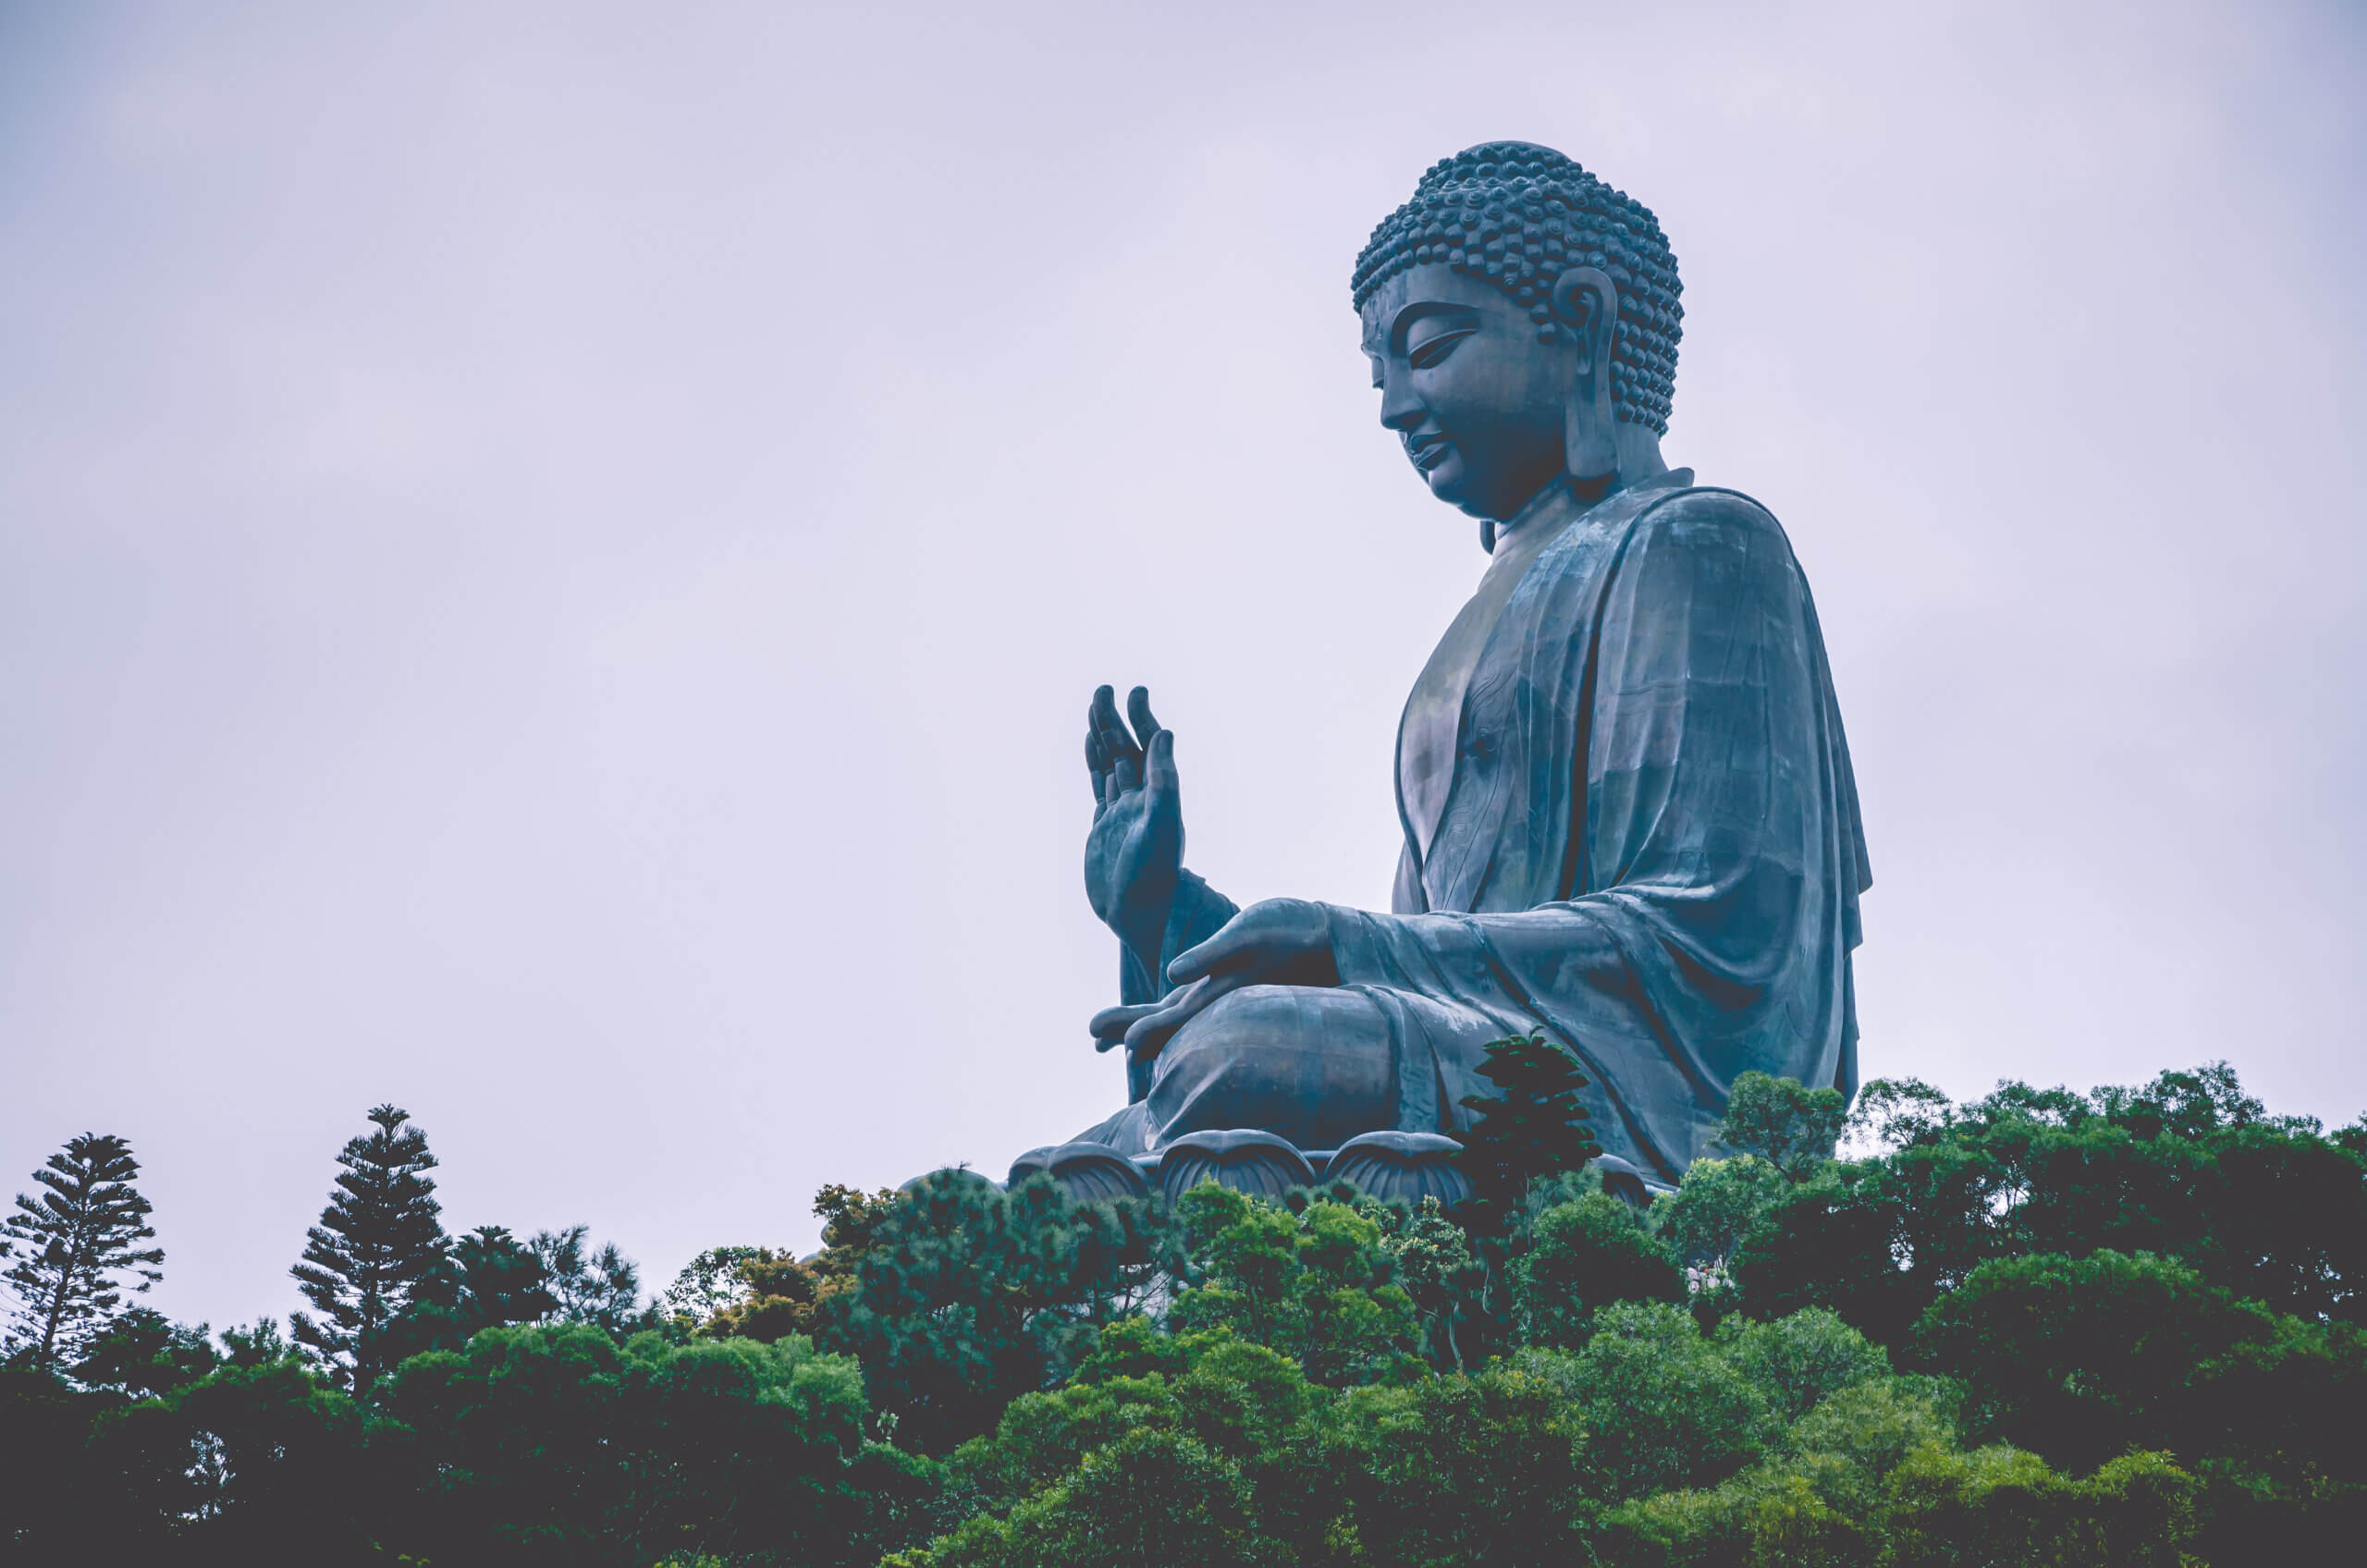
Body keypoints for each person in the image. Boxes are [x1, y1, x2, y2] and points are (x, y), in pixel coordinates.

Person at [1072, 142, 1870, 1184]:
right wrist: (1163, 908)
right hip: (1483, 1041)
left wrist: (1344, 944)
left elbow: (1722, 946)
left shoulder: (1699, 545)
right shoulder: (1484, 617)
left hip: (1644, 1085)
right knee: (1176, 1078)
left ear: (1581, 324)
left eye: (1431, 348)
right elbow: (1422, 955)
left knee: (1241, 1054)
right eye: (1381, 375)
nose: (1397, 407)